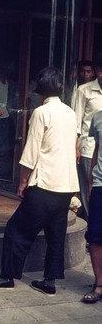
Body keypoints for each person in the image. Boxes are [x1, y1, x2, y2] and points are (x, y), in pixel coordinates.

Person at [0, 67, 79, 296]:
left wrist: (23, 182)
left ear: (40, 88)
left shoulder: (41, 112)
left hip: (44, 182)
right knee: (56, 232)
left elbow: (32, 150)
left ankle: (7, 276)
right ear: (60, 88)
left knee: (17, 230)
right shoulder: (69, 112)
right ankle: (49, 280)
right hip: (65, 184)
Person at [74, 59, 102, 222]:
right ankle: (90, 226)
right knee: (88, 189)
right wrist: (75, 147)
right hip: (89, 148)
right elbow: (77, 121)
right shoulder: (84, 90)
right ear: (97, 71)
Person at [82, 109, 102, 303]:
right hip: (99, 184)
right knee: (95, 237)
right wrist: (90, 181)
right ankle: (99, 285)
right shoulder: (98, 117)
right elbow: (97, 149)